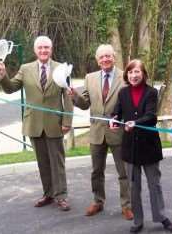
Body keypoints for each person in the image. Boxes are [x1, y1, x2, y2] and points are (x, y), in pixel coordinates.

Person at [0, 35, 73, 211]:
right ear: (35, 50)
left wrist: (67, 120)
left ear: (51, 50)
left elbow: (68, 97)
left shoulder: (62, 69)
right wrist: (2, 74)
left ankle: (61, 196)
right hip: (34, 124)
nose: (43, 50)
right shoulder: (25, 68)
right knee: (42, 162)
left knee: (57, 162)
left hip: (55, 123)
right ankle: (48, 194)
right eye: (40, 48)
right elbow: (10, 88)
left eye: (47, 47)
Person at [109, 59, 172, 233]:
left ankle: (161, 216)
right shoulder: (123, 93)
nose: (133, 75)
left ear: (143, 74)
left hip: (149, 146)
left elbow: (151, 116)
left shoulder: (151, 92)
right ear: (127, 75)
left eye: (137, 72)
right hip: (130, 148)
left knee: (155, 184)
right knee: (133, 186)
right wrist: (114, 119)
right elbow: (117, 112)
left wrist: (135, 123)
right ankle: (138, 221)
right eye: (130, 72)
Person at [70, 44, 133, 220]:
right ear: (98, 61)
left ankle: (127, 205)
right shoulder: (90, 78)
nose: (105, 59)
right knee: (96, 171)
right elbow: (85, 104)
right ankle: (98, 201)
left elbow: (130, 102)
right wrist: (74, 96)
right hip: (97, 132)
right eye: (101, 57)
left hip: (118, 132)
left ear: (114, 57)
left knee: (124, 172)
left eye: (108, 56)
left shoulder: (125, 76)